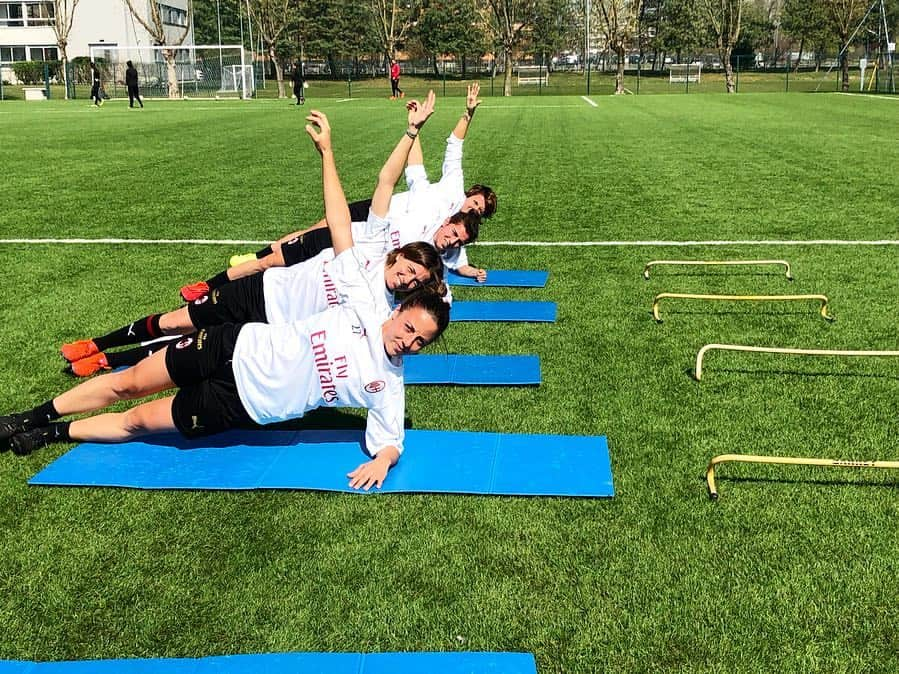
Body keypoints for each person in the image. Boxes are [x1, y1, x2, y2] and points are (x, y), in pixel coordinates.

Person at [0, 107, 449, 491]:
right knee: (129, 381)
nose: (409, 342)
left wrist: (383, 461)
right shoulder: (365, 302)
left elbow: (391, 438)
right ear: (401, 312)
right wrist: (328, 155)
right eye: (410, 328)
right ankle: (29, 416)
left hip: (241, 405)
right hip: (232, 345)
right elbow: (338, 223)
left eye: (420, 343)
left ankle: (53, 433)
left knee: (137, 420)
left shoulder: (388, 382)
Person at [186, 84, 496, 301]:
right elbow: (414, 171)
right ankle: (223, 278)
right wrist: (417, 128)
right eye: (476, 204)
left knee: (280, 279)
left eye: (479, 212)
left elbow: (454, 262)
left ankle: (239, 282)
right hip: (367, 219)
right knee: (295, 245)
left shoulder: (441, 246)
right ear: (467, 200)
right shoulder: (444, 195)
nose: (474, 211)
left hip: (352, 257)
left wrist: (468, 272)